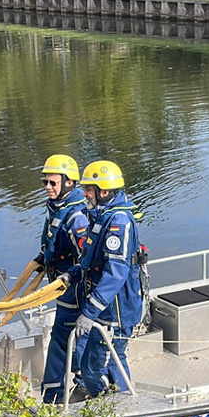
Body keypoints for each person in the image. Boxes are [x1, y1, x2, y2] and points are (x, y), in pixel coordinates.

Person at [68, 160, 144, 398]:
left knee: (94, 367)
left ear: (104, 191)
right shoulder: (102, 216)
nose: (84, 194)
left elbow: (115, 273)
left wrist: (89, 313)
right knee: (112, 361)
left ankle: (114, 408)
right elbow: (93, 261)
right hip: (107, 309)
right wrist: (74, 273)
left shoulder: (118, 222)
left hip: (115, 312)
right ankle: (118, 402)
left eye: (88, 189)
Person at [37, 154, 90, 404]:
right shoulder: (58, 208)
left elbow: (86, 260)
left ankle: (57, 396)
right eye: (46, 182)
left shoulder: (76, 218)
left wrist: (69, 279)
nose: (47, 187)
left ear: (69, 183)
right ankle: (58, 393)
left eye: (52, 183)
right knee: (62, 340)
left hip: (73, 293)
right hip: (63, 292)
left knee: (63, 341)